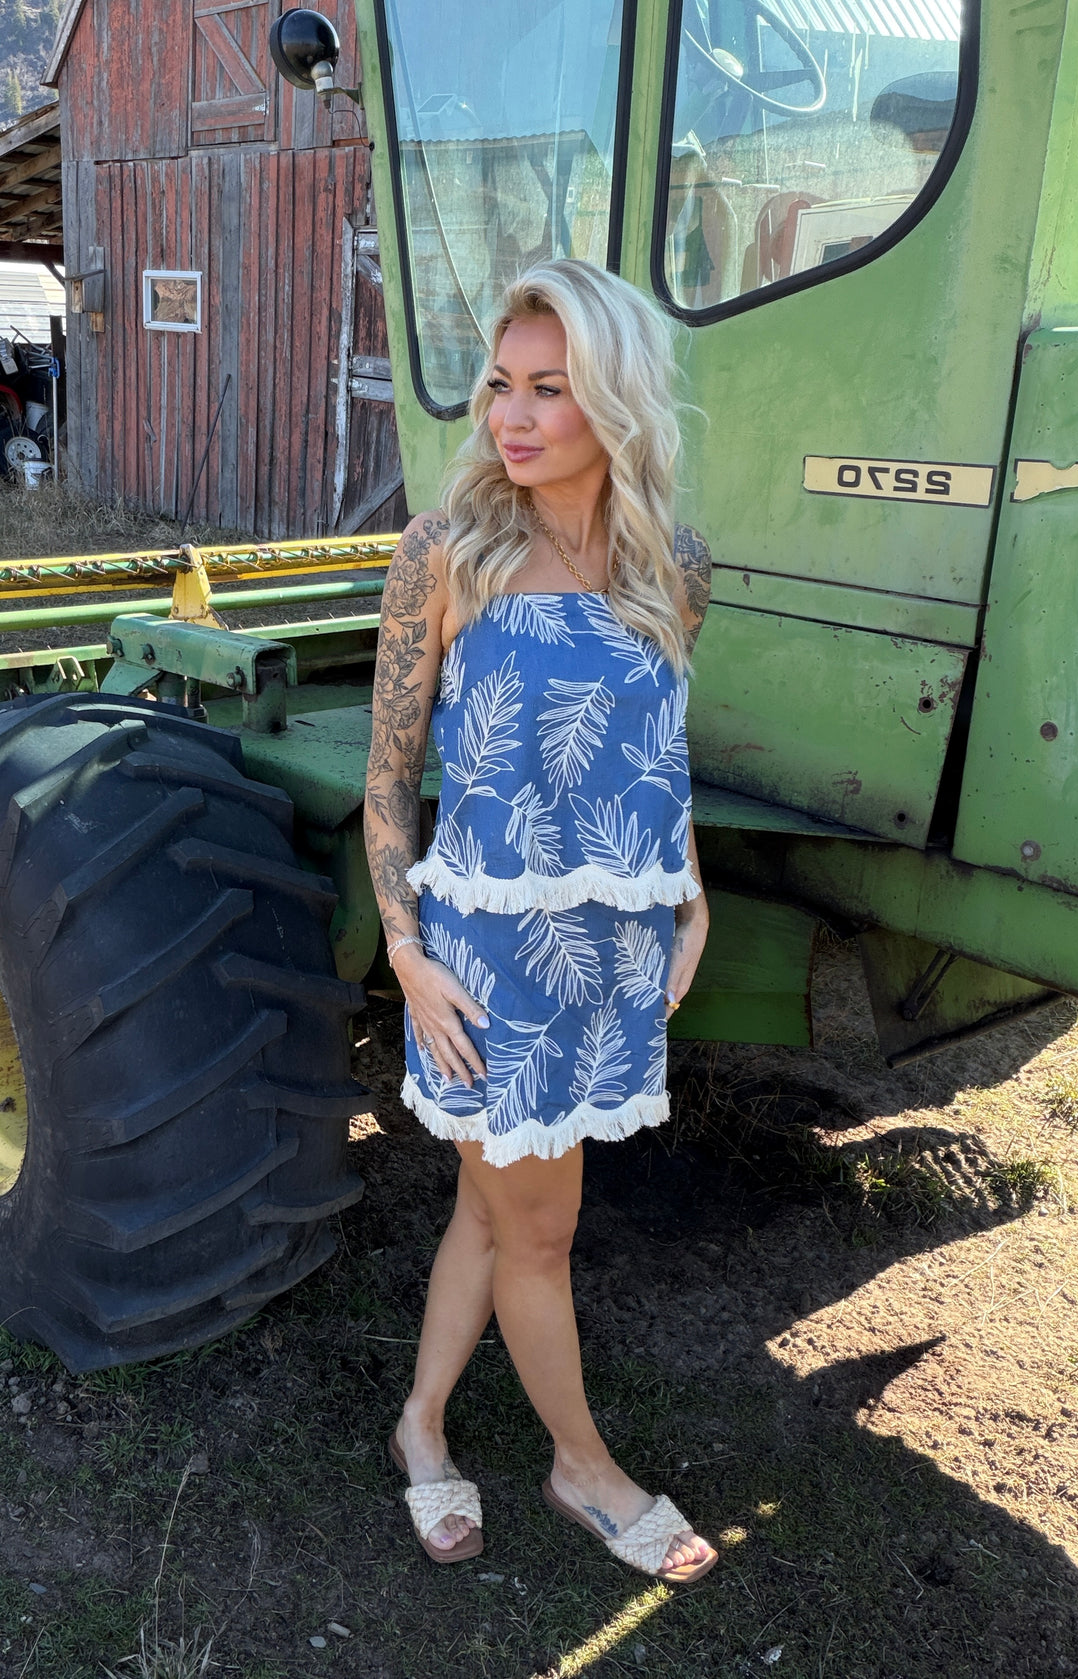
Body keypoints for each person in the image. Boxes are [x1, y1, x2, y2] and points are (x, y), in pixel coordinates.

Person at [363, 257, 717, 1583]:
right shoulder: (445, 551)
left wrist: (690, 885)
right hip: (489, 959)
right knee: (543, 1231)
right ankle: (584, 1468)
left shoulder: (671, 560)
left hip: (616, 947)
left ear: (612, 402)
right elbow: (389, 776)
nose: (511, 417)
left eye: (549, 389)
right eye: (501, 385)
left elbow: (660, 748)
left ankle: (421, 1426)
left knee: (487, 1210)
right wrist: (406, 953)